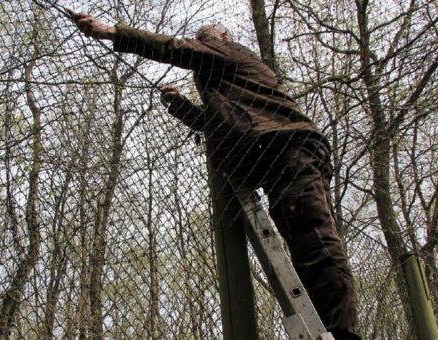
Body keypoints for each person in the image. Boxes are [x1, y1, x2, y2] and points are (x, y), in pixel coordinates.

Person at [72, 12, 361, 340]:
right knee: (305, 243)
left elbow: (175, 48)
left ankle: (340, 332)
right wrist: (180, 106)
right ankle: (328, 327)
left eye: (206, 37)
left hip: (289, 150)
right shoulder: (227, 85)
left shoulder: (231, 52)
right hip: (276, 155)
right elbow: (218, 126)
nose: (201, 43)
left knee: (314, 240)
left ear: (223, 39)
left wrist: (111, 32)